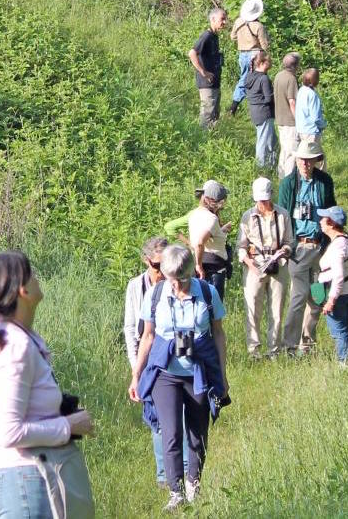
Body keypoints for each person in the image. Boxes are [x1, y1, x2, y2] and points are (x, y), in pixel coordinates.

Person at [0, 251, 96, 519]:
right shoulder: (15, 346)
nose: (37, 278)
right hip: (27, 481)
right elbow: (7, 432)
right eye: (32, 273)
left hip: (25, 478)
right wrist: (68, 426)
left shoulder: (9, 338)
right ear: (22, 290)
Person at [128, 244, 228, 510]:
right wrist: (136, 375)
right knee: (170, 433)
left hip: (198, 371)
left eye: (181, 280)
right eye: (171, 280)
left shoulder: (208, 293)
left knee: (197, 433)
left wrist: (223, 375)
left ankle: (194, 484)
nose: (175, 285)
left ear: (190, 273)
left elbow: (218, 334)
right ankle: (177, 492)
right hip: (165, 373)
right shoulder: (156, 294)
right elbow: (147, 336)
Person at [277, 143, 335, 356]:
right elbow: (283, 215)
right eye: (302, 159)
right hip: (298, 248)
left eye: (309, 160)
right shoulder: (288, 184)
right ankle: (290, 346)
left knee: (318, 298)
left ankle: (307, 343)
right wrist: (287, 246)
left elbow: (331, 209)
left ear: (316, 161)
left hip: (319, 249)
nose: (305, 164)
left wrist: (329, 239)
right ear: (296, 159)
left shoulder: (324, 181)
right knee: (299, 295)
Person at [123, 237, 170, 489]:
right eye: (156, 265)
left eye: (165, 265)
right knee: (155, 414)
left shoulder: (176, 282)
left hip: (171, 350)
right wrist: (135, 368)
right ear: (146, 260)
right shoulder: (135, 287)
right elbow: (131, 328)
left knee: (177, 412)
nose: (161, 271)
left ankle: (182, 471)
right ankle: (163, 475)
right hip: (147, 353)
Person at [240, 177, 293, 359]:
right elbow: (241, 246)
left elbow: (289, 242)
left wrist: (284, 251)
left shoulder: (283, 214)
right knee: (253, 309)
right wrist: (250, 264)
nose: (262, 203)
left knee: (276, 310)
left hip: (278, 265)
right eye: (260, 200)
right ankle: (253, 351)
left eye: (265, 199)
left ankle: (274, 351)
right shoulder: (247, 216)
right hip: (255, 265)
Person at [316, 206, 348, 364]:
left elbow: (338, 275)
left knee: (338, 331)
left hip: (339, 293)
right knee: (346, 327)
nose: (320, 221)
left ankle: (344, 363)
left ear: (331, 223)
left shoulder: (337, 246)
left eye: (323, 218)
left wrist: (331, 301)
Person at [178, 180, 233, 301]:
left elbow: (204, 238)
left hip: (199, 267)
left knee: (199, 305)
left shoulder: (194, 214)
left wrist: (221, 231)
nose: (222, 204)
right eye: (220, 201)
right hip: (213, 270)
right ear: (211, 200)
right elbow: (199, 242)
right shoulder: (211, 218)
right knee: (213, 309)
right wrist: (199, 266)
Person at [228, 0, 268, 115]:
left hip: (242, 54)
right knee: (249, 80)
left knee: (245, 77)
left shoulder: (238, 21)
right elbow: (264, 45)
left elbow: (232, 37)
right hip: (254, 54)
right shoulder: (258, 26)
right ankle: (234, 106)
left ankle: (244, 105)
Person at [187, 7, 226, 129]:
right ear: (213, 19)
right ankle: (203, 141)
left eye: (225, 19)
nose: (224, 22)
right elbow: (192, 53)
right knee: (207, 115)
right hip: (206, 83)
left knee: (215, 114)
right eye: (222, 19)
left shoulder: (214, 36)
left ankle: (212, 141)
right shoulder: (206, 36)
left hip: (214, 82)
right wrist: (203, 72)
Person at [243, 52, 276, 169]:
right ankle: (261, 167)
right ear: (262, 63)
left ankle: (271, 165)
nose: (271, 63)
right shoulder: (264, 78)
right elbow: (268, 98)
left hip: (255, 111)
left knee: (271, 140)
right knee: (263, 141)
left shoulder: (249, 76)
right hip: (265, 112)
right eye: (269, 61)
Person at [273, 53, 301, 176]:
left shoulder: (278, 76)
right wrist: (299, 121)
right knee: (292, 152)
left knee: (284, 150)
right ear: (295, 66)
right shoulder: (291, 79)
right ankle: (289, 179)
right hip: (290, 121)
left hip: (280, 119)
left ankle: (281, 175)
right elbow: (292, 102)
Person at [295, 68, 327, 171]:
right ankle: (321, 181)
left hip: (301, 129)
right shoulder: (312, 95)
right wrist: (323, 125)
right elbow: (315, 117)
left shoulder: (301, 90)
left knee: (306, 157)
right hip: (311, 131)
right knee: (318, 160)